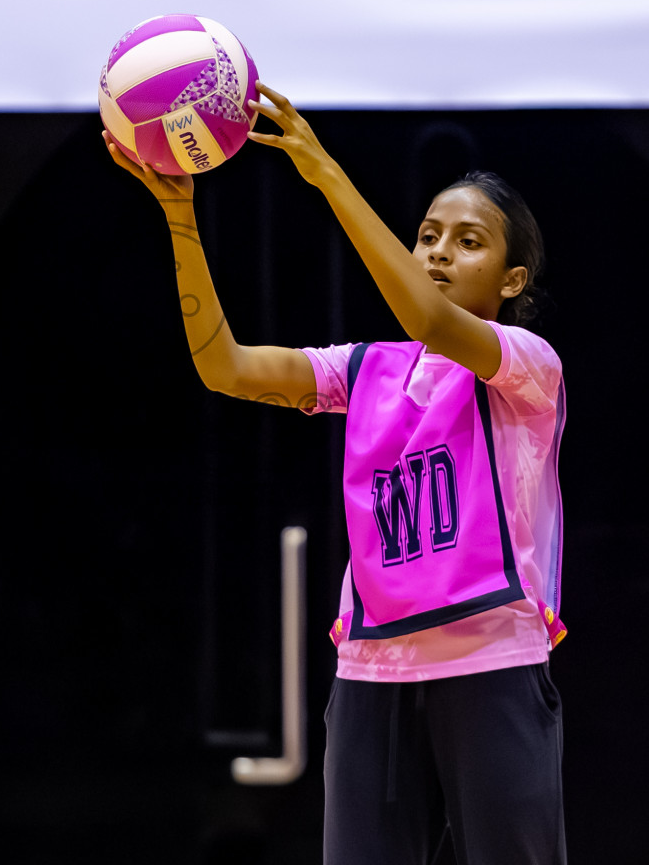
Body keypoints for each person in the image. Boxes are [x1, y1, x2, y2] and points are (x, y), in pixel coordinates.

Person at [103, 83, 567, 865]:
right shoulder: (366, 371)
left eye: (468, 241)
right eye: (428, 235)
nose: (439, 252)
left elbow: (426, 316)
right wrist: (181, 221)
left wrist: (324, 172)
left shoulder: (526, 368)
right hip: (372, 668)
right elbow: (225, 367)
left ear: (513, 280)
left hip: (492, 664)